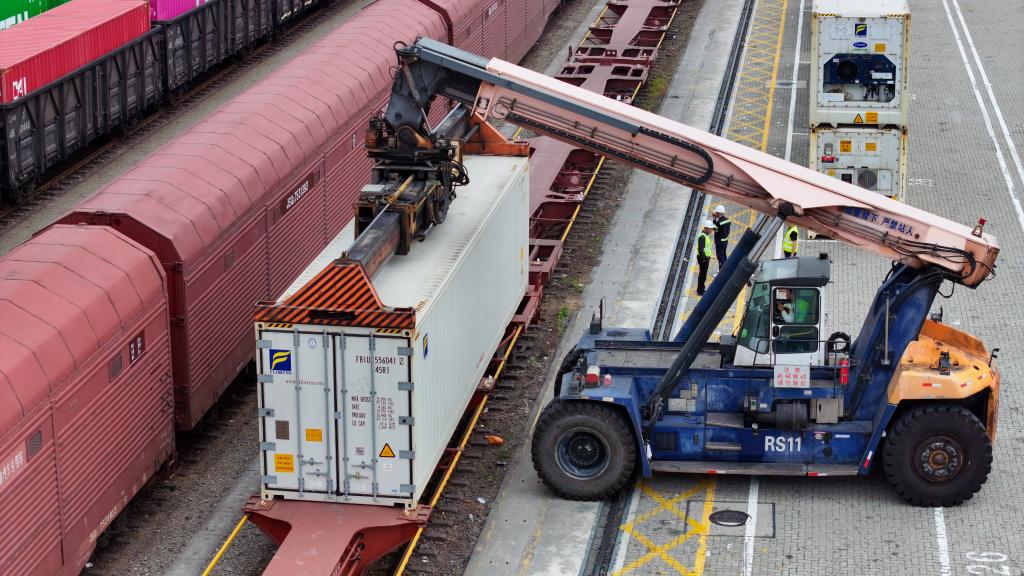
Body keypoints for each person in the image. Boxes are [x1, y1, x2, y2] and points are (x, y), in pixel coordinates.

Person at [695, 220, 714, 295]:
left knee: (703, 274)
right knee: (702, 275)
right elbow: (701, 249)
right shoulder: (703, 237)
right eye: (710, 228)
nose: (711, 230)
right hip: (703, 258)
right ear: (706, 228)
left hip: (705, 258)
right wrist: (704, 259)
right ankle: (700, 291)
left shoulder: (705, 235)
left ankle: (700, 289)